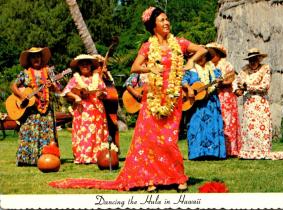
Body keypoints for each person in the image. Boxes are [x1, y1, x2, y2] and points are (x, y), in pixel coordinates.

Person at [49, 6, 206, 192]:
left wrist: (191, 61)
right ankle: (151, 179)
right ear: (153, 26)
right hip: (153, 97)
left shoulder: (179, 43)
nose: (166, 23)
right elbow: (135, 67)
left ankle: (178, 177)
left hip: (173, 98)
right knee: (151, 140)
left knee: (169, 139)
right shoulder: (148, 47)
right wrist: (151, 69)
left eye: (167, 19)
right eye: (162, 20)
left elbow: (202, 49)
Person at [236, 48, 283, 160]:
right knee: (249, 126)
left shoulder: (265, 69)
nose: (253, 62)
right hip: (249, 102)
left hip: (260, 102)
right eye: (251, 60)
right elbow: (239, 84)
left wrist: (248, 87)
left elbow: (265, 86)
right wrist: (240, 88)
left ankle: (262, 150)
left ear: (259, 59)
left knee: (261, 126)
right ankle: (249, 151)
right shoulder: (244, 70)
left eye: (255, 59)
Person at [11, 47, 61, 166]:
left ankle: (48, 158)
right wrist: (22, 96)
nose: (36, 58)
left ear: (42, 58)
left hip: (46, 109)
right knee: (28, 132)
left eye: (38, 56)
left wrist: (52, 86)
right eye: (33, 57)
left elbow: (57, 88)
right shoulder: (25, 73)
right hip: (30, 111)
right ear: (29, 60)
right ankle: (27, 159)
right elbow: (13, 86)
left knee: (47, 132)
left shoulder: (49, 71)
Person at [62, 54, 109, 164]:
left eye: (87, 63)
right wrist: (76, 97)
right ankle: (83, 157)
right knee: (84, 133)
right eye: (82, 64)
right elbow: (66, 92)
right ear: (78, 66)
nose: (84, 66)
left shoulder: (97, 78)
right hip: (82, 110)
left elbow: (105, 92)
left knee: (97, 132)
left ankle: (98, 156)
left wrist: (102, 94)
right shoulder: (75, 79)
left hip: (97, 110)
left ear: (91, 65)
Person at [182, 49, 226, 160]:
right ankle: (197, 154)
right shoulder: (190, 69)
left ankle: (213, 153)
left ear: (206, 57)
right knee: (195, 126)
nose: (201, 58)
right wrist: (189, 89)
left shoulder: (212, 69)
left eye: (204, 56)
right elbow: (182, 80)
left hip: (211, 102)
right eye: (199, 56)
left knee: (212, 126)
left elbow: (218, 80)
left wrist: (219, 82)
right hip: (195, 104)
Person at [206, 42, 241, 157]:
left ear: (218, 54)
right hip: (213, 96)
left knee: (228, 122)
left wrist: (221, 83)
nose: (211, 56)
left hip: (226, 97)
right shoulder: (208, 66)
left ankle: (230, 150)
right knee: (216, 122)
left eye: (212, 54)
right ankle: (217, 150)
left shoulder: (227, 65)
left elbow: (231, 79)